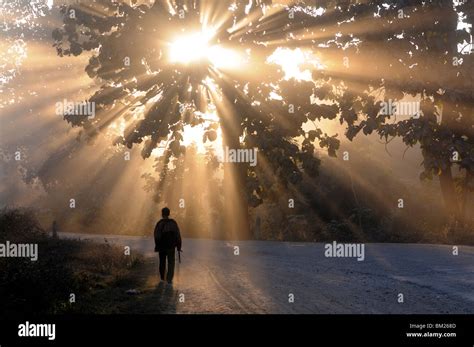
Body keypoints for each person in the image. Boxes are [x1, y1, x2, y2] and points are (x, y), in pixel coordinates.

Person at [154, 207, 182, 284]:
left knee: (162, 262)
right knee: (171, 262)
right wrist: (179, 246)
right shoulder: (173, 223)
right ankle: (169, 279)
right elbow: (178, 235)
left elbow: (157, 236)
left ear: (162, 214)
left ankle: (163, 278)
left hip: (162, 247)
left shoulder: (159, 223)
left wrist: (157, 245)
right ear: (169, 213)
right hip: (171, 247)